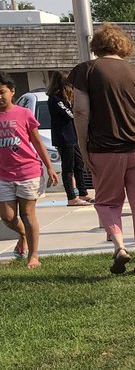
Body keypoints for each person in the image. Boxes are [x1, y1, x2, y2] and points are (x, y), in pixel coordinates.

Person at [69, 23, 135, 276]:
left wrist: (83, 146)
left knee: (108, 202)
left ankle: (120, 247)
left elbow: (80, 110)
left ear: (97, 46)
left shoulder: (86, 70)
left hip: (105, 149)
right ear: (124, 46)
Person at [0, 72, 59, 268]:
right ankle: (23, 234)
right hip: (3, 174)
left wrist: (49, 167)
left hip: (28, 170)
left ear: (12, 91)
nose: (0, 97)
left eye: (2, 92)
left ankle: (33, 256)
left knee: (27, 214)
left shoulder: (24, 113)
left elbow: (37, 142)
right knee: (7, 217)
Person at [45, 70, 91, 206]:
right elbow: (69, 114)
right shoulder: (55, 98)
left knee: (79, 165)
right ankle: (72, 197)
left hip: (74, 136)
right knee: (68, 168)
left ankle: (83, 192)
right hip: (64, 137)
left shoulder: (68, 99)